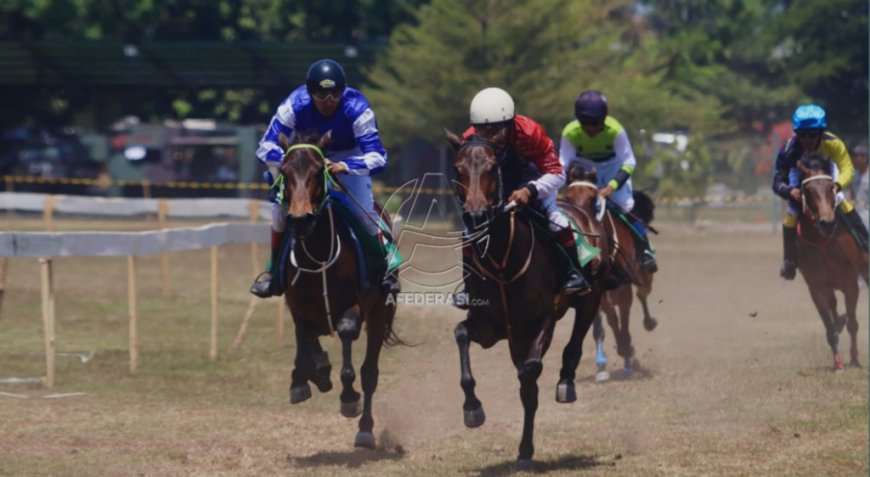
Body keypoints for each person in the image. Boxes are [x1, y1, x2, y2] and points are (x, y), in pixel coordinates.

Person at [250, 59, 400, 298]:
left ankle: (387, 266)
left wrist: (344, 166)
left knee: (364, 213)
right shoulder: (293, 105)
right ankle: (272, 273)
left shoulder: (358, 107)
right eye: (322, 95)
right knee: (279, 214)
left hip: (346, 156)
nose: (329, 101)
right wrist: (290, 157)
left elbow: (378, 156)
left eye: (335, 94)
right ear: (310, 92)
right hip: (303, 158)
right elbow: (265, 145)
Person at [453, 87, 591, 309]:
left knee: (556, 220)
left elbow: (557, 173)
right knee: (468, 231)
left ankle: (574, 274)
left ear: (509, 123)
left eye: (495, 129)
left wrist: (530, 190)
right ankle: (469, 287)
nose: (487, 136)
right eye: (481, 129)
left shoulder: (530, 132)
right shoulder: (469, 139)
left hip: (535, 177)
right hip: (498, 181)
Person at [558, 90, 657, 273]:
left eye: (595, 123)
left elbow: (629, 161)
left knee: (624, 204)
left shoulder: (615, 130)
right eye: (585, 123)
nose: (591, 129)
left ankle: (645, 250)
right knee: (573, 208)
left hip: (612, 167)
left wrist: (612, 186)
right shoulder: (570, 132)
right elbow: (563, 164)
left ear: (604, 118)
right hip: (585, 169)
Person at [772, 104, 869, 280]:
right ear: (796, 133)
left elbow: (847, 168)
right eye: (802, 135)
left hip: (828, 174)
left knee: (842, 203)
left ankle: (866, 246)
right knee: (792, 214)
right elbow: (777, 181)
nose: (807, 139)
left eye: (813, 135)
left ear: (821, 132)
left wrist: (838, 185)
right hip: (800, 176)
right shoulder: (789, 150)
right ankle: (789, 262)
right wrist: (789, 191)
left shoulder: (833, 144)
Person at [847, 144, 868, 226]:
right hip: (856, 216)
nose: (853, 159)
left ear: (864, 158)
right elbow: (852, 196)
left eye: (856, 156)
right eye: (853, 156)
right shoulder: (853, 175)